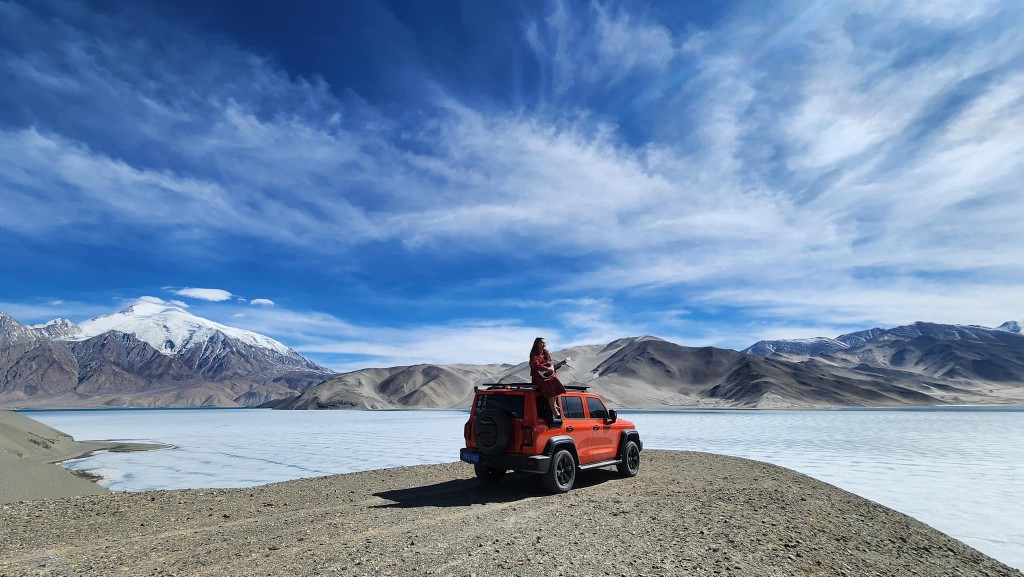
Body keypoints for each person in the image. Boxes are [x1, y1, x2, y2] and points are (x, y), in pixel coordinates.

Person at [529, 337, 566, 422]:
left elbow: (550, 364)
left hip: (547, 375)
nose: (544, 344)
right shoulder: (534, 355)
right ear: (537, 344)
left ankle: (555, 403)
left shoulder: (545, 353)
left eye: (544, 343)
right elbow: (536, 365)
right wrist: (546, 369)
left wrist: (558, 365)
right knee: (549, 383)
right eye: (542, 343)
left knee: (555, 381)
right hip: (538, 377)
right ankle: (553, 408)